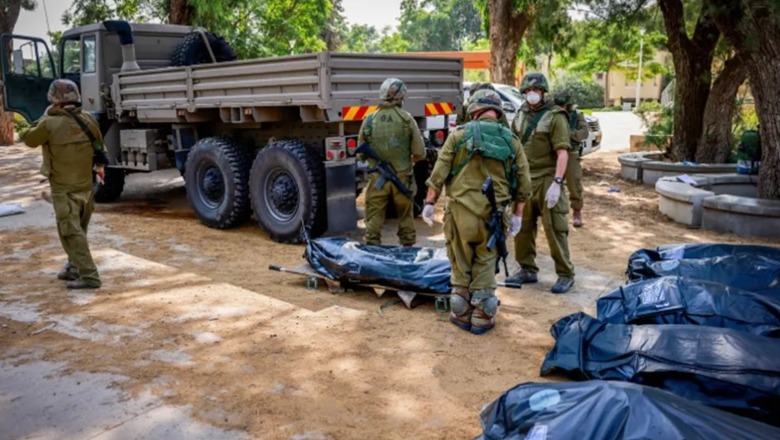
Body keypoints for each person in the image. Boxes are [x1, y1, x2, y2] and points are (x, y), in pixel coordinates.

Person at [423, 89, 531, 334]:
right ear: (498, 112)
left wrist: (430, 203)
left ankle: (460, 311)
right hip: (493, 217)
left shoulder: (458, 135)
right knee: (485, 261)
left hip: (459, 215)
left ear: (474, 109)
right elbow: (524, 185)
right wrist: (517, 215)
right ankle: (483, 315)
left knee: (460, 264)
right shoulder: (512, 141)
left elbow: (438, 174)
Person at [22, 79, 108, 289]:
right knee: (78, 230)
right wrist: (98, 168)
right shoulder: (88, 120)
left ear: (54, 99)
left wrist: (41, 117)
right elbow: (100, 148)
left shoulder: (49, 123)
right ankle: (73, 268)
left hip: (63, 188)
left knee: (70, 232)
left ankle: (89, 276)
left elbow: (29, 139)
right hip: (85, 187)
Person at [506, 72, 576, 294]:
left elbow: (563, 153)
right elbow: (513, 147)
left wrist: (557, 182)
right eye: (527, 91)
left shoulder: (555, 116)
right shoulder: (520, 115)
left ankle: (565, 274)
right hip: (525, 180)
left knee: (554, 228)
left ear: (543, 92)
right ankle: (527, 269)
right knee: (522, 228)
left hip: (547, 178)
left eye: (535, 91)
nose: (531, 94)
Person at [357, 77, 425, 246]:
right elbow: (420, 153)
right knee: (405, 216)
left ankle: (372, 253)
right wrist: (407, 161)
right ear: (401, 97)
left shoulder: (370, 119)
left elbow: (360, 154)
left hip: (377, 179)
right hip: (403, 177)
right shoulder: (407, 119)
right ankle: (408, 251)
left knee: (373, 219)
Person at [554, 90, 589, 227]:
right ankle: (555, 212)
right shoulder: (551, 115)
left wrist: (568, 134)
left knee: (574, 182)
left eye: (563, 104)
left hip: (571, 152)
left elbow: (584, 133)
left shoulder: (576, 116)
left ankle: (576, 211)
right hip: (554, 153)